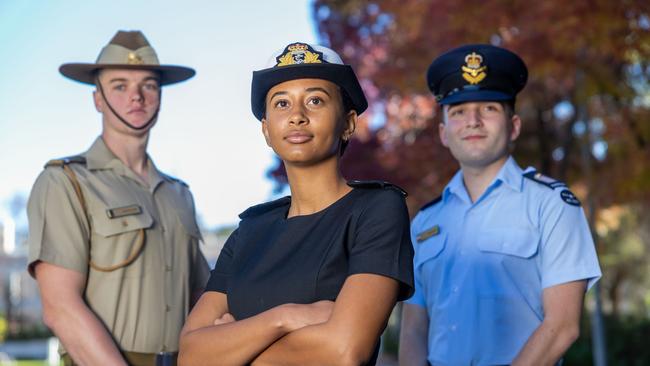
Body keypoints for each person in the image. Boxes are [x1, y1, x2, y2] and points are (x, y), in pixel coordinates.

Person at [178, 42, 414, 366]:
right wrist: (285, 318)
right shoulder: (249, 231)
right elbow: (191, 356)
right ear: (266, 130)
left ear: (348, 123)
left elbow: (345, 349)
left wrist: (232, 349)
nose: (297, 116)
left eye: (315, 100)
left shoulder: (376, 210)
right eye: (282, 103)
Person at [398, 44, 602, 366]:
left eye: (489, 108)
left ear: (514, 126)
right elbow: (412, 330)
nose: (473, 121)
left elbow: (563, 326)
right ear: (444, 133)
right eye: (458, 111)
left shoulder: (551, 204)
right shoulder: (424, 223)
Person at [26, 30, 210, 366]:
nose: (136, 97)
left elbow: (204, 300)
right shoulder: (65, 182)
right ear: (98, 99)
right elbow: (60, 309)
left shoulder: (179, 193)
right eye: (120, 85)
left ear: (160, 97)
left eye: (149, 85)